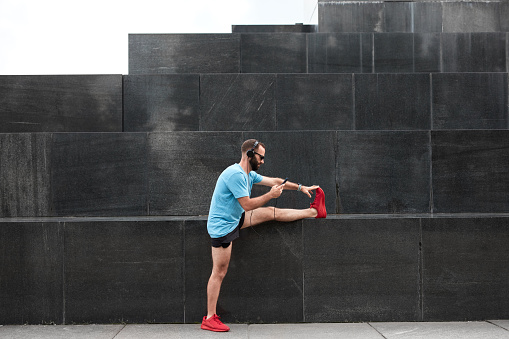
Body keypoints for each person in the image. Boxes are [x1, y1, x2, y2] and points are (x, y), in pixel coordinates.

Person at [201, 139, 327, 332]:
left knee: (269, 212)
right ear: (249, 155)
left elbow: (276, 182)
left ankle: (314, 212)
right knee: (219, 272)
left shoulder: (248, 174)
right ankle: (209, 318)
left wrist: (301, 187)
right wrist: (270, 195)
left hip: (235, 219)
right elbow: (248, 205)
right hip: (222, 228)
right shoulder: (235, 175)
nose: (263, 161)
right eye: (261, 157)